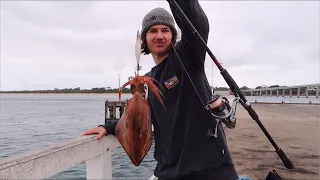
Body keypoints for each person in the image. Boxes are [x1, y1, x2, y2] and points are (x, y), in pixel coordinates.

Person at [82, 0, 239, 179]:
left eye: (165, 30)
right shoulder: (147, 81)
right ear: (144, 39)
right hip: (169, 172)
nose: (159, 35)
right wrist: (108, 127)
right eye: (153, 31)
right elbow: (138, 116)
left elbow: (197, 23)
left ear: (173, 35)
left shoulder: (188, 57)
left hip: (211, 170)